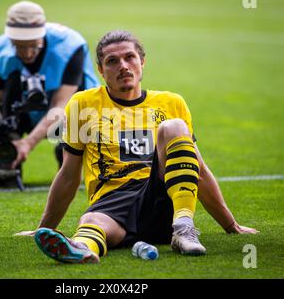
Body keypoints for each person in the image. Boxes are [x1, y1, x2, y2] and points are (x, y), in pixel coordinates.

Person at [16, 30, 258, 263]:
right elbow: (69, 175)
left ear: (142, 62)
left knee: (173, 127)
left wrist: (230, 225)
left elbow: (199, 170)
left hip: (162, 197)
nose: (123, 66)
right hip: (111, 203)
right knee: (91, 222)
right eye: (112, 61)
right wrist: (44, 229)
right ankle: (80, 250)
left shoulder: (171, 102)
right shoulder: (83, 104)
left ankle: (184, 229)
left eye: (129, 57)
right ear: (101, 70)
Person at [0, 0, 100, 169]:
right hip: (24, 110)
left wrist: (28, 143)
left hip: (71, 115)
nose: (27, 53)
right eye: (18, 46)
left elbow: (61, 106)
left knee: (68, 156)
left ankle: (69, 150)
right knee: (3, 162)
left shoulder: (70, 46)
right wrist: (6, 141)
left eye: (33, 45)